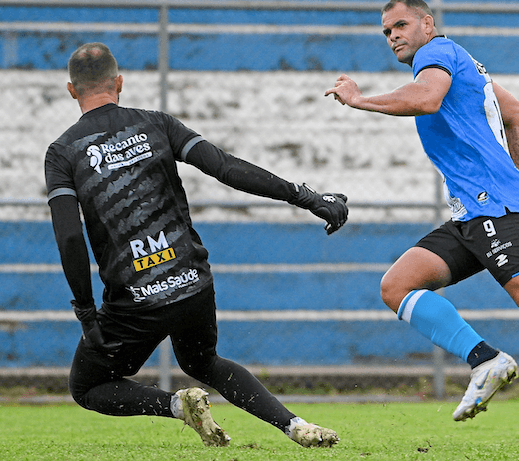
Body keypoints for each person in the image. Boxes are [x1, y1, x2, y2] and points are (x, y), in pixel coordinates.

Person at [324, 0, 519, 446]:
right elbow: (518, 115)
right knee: (397, 285)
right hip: (477, 209)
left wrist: (359, 100)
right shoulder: (463, 61)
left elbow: (427, 100)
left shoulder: (435, 55)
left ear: (427, 24)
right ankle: (484, 360)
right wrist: (517, 182)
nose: (393, 35)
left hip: (492, 207)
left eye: (401, 25)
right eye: (386, 31)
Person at [45, 42, 347, 448]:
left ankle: (176, 405)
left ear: (71, 90)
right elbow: (226, 168)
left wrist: (85, 312)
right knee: (203, 361)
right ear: (119, 82)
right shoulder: (156, 124)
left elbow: (68, 236)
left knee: (88, 386)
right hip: (191, 281)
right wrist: (306, 197)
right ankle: (295, 426)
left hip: (135, 302)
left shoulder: (63, 152)